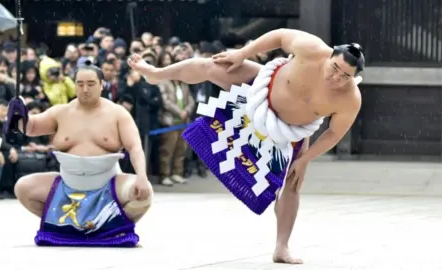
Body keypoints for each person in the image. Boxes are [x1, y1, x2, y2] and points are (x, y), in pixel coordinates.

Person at [128, 28, 364, 264]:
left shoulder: (349, 99)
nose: (336, 77)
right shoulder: (311, 48)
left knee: (292, 184)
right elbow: (279, 36)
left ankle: (282, 247)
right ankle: (157, 73)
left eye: (345, 76)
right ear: (331, 56)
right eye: (335, 68)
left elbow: (334, 133)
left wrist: (305, 159)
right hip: (263, 87)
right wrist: (242, 53)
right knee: (213, 66)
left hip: (291, 133)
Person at [6, 61, 153, 247]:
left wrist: (141, 176)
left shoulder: (118, 114)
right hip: (68, 182)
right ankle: (64, 227)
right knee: (23, 187)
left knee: (143, 194)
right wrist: (18, 114)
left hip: (108, 183)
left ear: (102, 85)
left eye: (91, 84)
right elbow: (31, 127)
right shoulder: (61, 112)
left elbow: (135, 148)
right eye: (80, 83)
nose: (85, 89)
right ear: (73, 84)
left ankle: (111, 228)